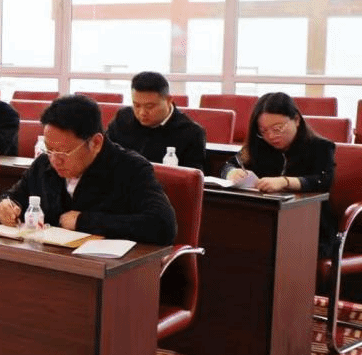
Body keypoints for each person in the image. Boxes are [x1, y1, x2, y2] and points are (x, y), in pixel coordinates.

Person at [0, 95, 176, 245]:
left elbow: (162, 225)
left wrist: (84, 221)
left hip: (104, 268)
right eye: (49, 149)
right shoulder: (43, 164)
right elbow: (13, 197)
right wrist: (3, 208)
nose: (55, 160)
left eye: (64, 152)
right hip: (48, 261)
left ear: (95, 143)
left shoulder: (130, 168)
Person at [224, 92, 336, 257]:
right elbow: (230, 164)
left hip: (310, 228)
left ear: (296, 120)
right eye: (263, 130)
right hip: (265, 223)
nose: (270, 136)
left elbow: (323, 180)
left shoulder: (320, 147)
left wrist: (285, 182)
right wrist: (232, 172)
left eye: (277, 128)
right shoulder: (259, 146)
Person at [105, 71, 206, 170]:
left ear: (168, 100)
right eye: (137, 105)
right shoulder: (123, 117)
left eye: (149, 106)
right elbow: (104, 153)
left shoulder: (191, 132)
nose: (142, 113)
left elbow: (191, 177)